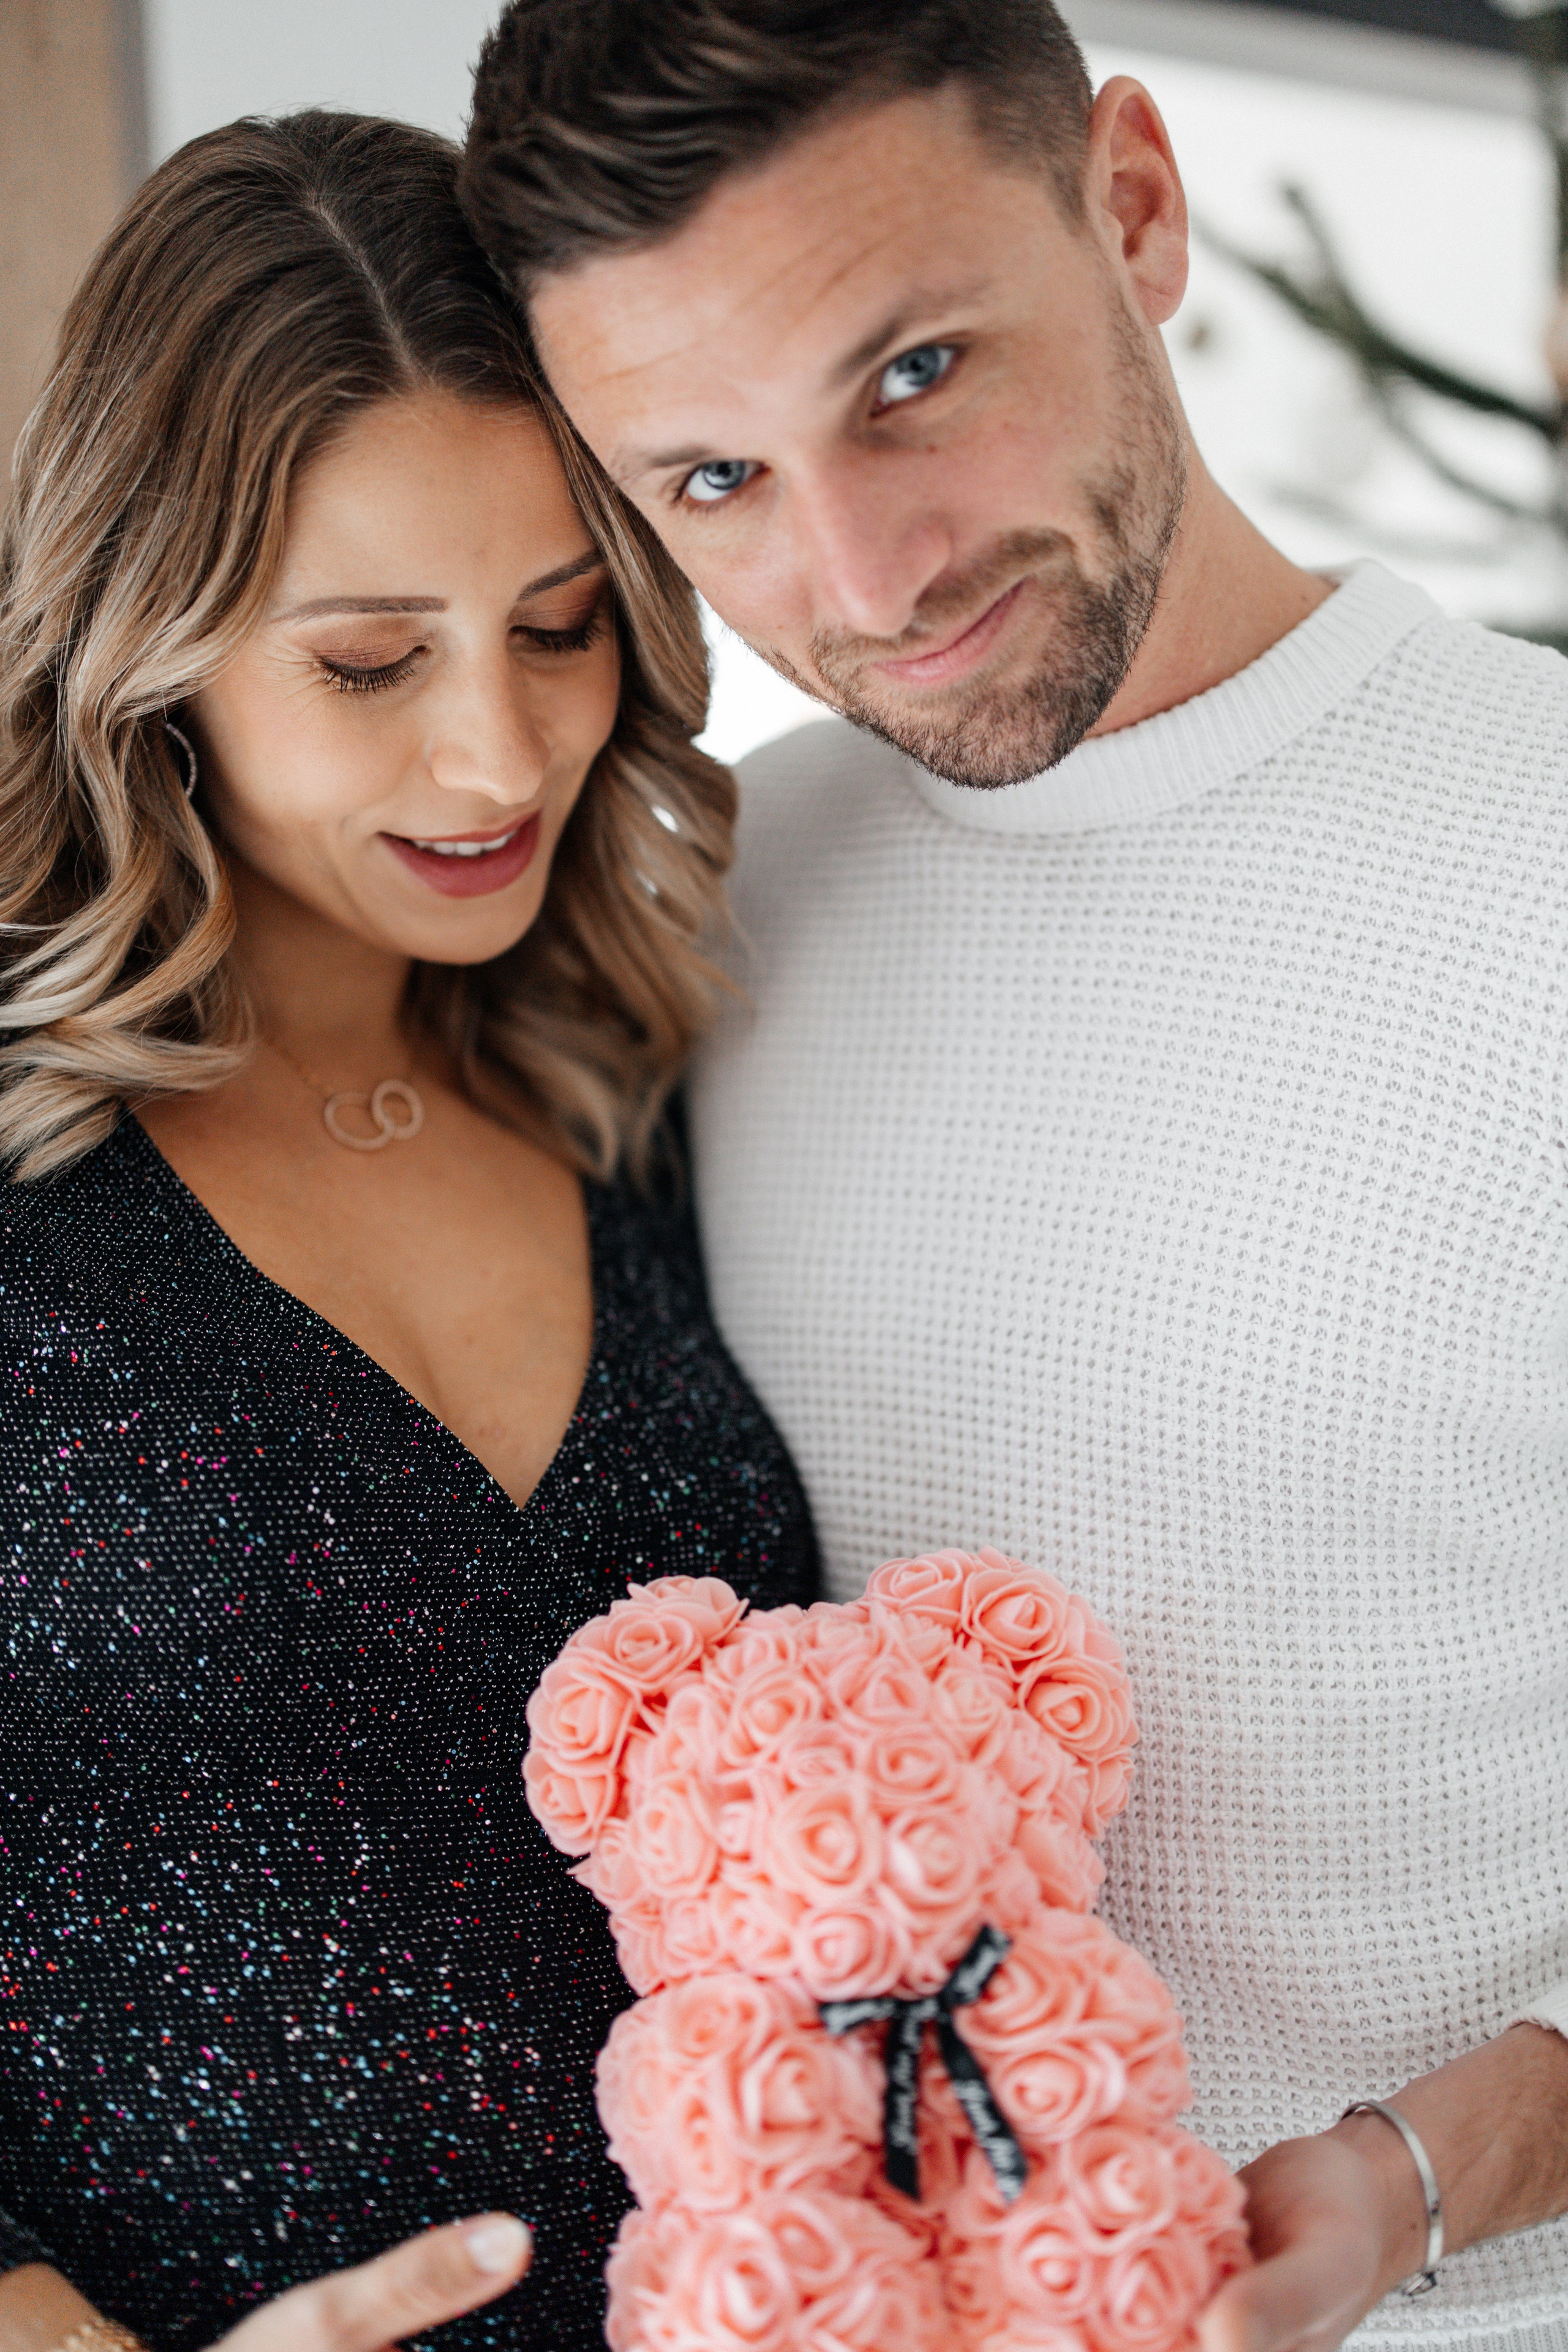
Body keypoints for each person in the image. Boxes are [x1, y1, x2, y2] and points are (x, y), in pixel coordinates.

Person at [459, 7, 1568, 2351]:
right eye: (713, 479)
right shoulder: (717, 904)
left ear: (1133, 207)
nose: (865, 578)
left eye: (914, 374)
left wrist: (1421, 2179)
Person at [0, 107, 818, 2352]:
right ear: (148, 648)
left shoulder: (648, 1096)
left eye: (561, 626)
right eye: (370, 663)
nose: (498, 758)